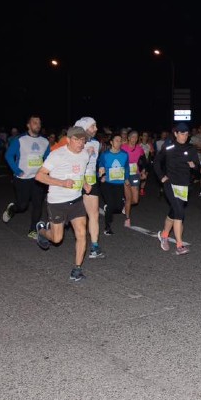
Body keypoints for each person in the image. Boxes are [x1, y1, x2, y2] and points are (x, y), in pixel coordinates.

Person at [34, 125, 92, 281]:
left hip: (76, 200)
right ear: (68, 140)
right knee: (57, 239)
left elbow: (81, 172)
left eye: (83, 140)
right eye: (77, 139)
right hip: (57, 202)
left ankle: (77, 269)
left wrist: (85, 183)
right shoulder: (56, 155)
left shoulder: (85, 154)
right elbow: (39, 176)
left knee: (81, 233)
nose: (81, 143)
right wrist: (61, 183)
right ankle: (42, 231)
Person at [2, 115, 51, 240]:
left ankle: (33, 230)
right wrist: (17, 170)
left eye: (39, 123)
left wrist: (47, 173)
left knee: (38, 204)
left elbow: (48, 159)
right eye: (34, 122)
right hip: (22, 179)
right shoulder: (20, 139)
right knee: (23, 205)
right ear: (28, 125)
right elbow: (8, 155)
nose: (37, 125)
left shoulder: (45, 141)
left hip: (38, 179)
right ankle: (12, 208)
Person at [154, 122, 198, 254]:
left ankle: (164, 235)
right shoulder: (168, 147)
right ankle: (179, 245)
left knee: (174, 212)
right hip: (170, 184)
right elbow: (156, 162)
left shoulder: (191, 149)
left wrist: (193, 166)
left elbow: (198, 167)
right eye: (182, 133)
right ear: (176, 133)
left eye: (186, 134)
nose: (184, 136)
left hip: (184, 185)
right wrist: (162, 177)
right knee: (180, 212)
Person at [72, 118, 103, 259]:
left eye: (95, 126)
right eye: (93, 126)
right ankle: (53, 224)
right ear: (84, 128)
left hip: (91, 182)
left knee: (94, 214)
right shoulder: (74, 143)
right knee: (72, 215)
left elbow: (94, 162)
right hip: (75, 182)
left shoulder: (96, 143)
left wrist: (100, 170)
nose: (96, 128)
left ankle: (94, 246)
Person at [99, 132, 129, 237]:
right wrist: (101, 176)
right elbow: (100, 166)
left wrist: (126, 178)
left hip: (119, 183)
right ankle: (107, 227)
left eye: (120, 141)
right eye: (116, 140)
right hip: (107, 183)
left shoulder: (124, 154)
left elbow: (126, 167)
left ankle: (110, 206)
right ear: (111, 142)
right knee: (111, 204)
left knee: (118, 206)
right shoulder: (105, 155)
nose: (119, 142)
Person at [122, 130, 147, 228]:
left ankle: (125, 206)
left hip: (135, 175)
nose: (134, 139)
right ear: (128, 138)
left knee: (135, 200)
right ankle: (127, 219)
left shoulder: (139, 148)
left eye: (136, 137)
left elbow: (144, 161)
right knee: (128, 198)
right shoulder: (123, 148)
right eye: (132, 137)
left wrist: (143, 171)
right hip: (125, 174)